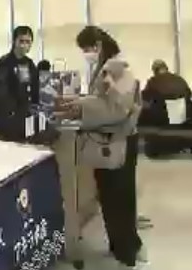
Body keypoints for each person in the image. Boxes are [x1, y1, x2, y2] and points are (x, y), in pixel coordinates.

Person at [58, 26, 144, 268]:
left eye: (87, 48)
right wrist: (79, 101)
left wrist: (80, 108)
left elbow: (116, 108)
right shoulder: (110, 67)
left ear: (98, 45)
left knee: (117, 199)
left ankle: (125, 251)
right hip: (117, 141)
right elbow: (103, 100)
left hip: (116, 142)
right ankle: (125, 245)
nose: (86, 54)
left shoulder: (115, 69)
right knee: (117, 198)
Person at [139, 59, 192, 161]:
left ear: (155, 70)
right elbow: (189, 93)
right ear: (166, 68)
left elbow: (146, 97)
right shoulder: (179, 79)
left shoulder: (153, 81)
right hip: (184, 114)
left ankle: (153, 147)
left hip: (162, 116)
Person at [0, 26, 40, 141]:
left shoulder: (30, 64)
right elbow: (0, 91)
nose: (24, 45)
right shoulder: (4, 62)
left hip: (27, 112)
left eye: (28, 42)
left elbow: (35, 87)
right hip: (10, 115)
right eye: (21, 41)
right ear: (14, 41)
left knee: (29, 142)